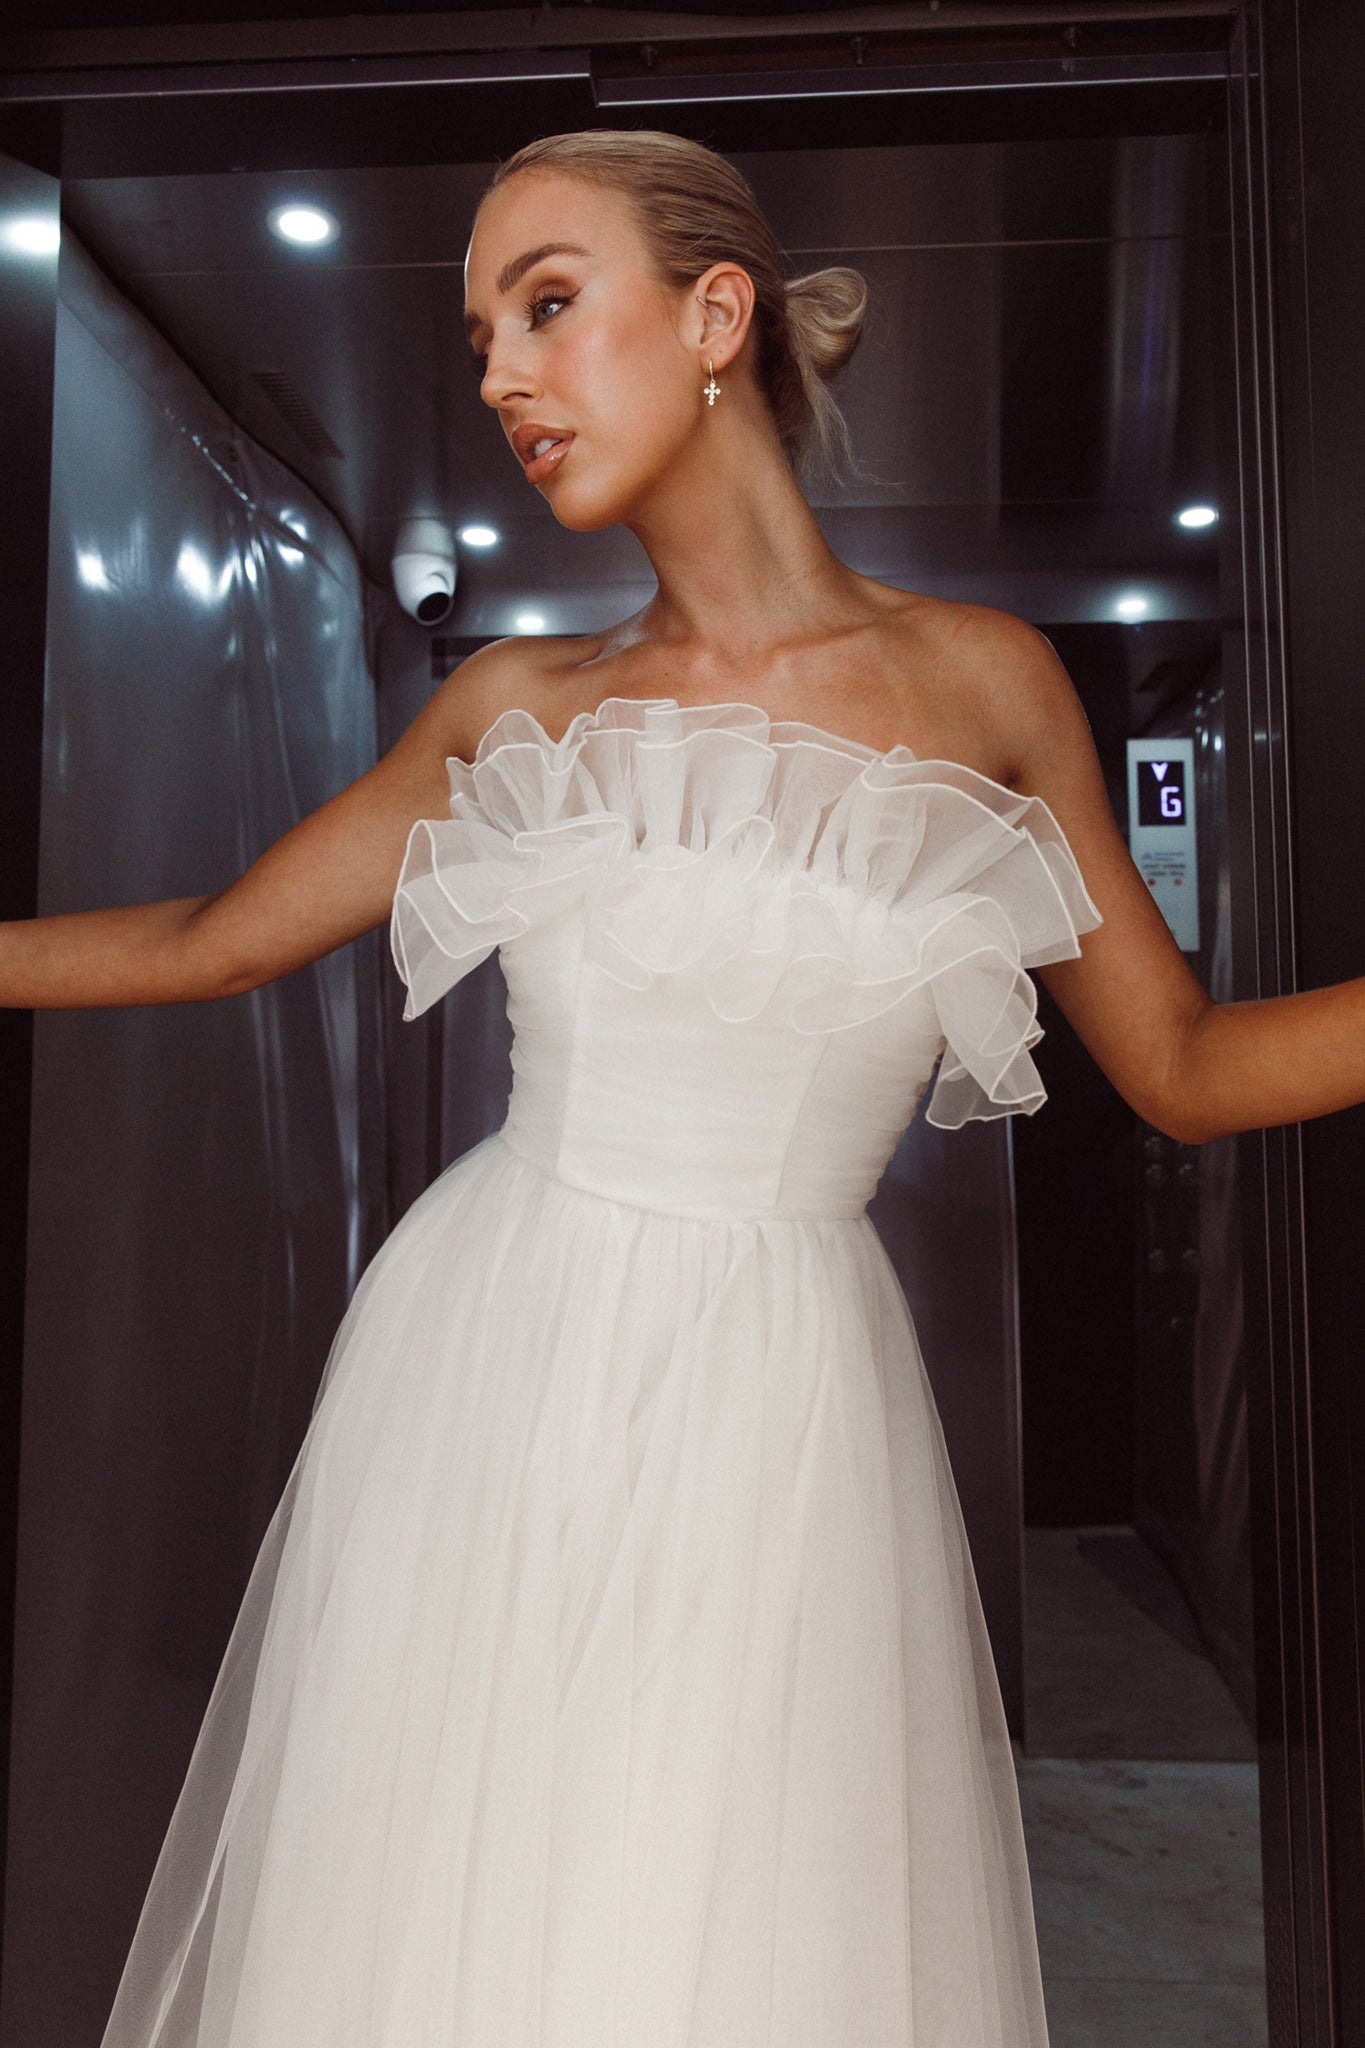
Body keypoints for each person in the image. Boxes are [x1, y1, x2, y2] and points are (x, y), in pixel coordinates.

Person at [6, 127, 1363, 2047]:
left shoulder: (982, 687)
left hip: (783, 1411)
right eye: (480, 336)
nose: (499, 376)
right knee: (454, 1927)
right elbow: (209, 941)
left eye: (547, 305)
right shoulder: (518, 707)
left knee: (722, 1930)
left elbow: (1192, 1069)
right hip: (487, 1375)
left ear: (717, 314)